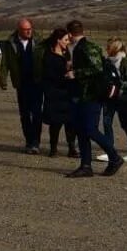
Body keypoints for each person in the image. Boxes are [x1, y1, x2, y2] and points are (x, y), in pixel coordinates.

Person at [64, 19, 122, 178]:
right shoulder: (77, 48)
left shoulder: (87, 47)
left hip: (91, 95)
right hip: (81, 95)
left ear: (69, 34)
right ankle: (85, 165)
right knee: (81, 130)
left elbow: (96, 68)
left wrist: (76, 73)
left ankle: (114, 157)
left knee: (90, 130)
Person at [0, 18, 43, 153]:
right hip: (21, 83)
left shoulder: (38, 40)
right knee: (24, 114)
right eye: (25, 30)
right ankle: (29, 141)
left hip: (37, 82)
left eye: (30, 29)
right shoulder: (11, 43)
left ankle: (35, 142)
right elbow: (5, 62)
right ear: (19, 30)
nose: (29, 31)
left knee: (37, 114)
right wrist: (3, 79)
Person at [99, 38, 127, 162]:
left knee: (125, 124)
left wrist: (117, 85)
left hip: (122, 97)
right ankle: (109, 150)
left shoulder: (125, 61)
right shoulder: (108, 61)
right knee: (107, 123)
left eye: (108, 46)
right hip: (110, 97)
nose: (106, 48)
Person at [40, 28, 77, 158]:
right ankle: (53, 148)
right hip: (55, 93)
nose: (67, 42)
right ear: (58, 40)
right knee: (56, 123)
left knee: (71, 122)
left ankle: (72, 148)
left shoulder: (67, 54)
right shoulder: (49, 56)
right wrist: (66, 73)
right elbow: (49, 76)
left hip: (68, 93)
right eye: (65, 40)